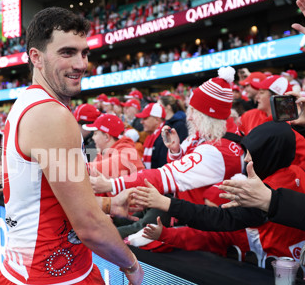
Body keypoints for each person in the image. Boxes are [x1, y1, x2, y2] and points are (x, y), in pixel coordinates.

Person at [0, 7, 143, 285]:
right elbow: (88, 226)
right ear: (36, 57)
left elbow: (48, 193)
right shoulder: (50, 114)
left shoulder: (42, 108)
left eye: (84, 52)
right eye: (67, 52)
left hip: (80, 276)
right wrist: (130, 262)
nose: (81, 63)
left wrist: (108, 206)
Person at [218, 0, 305, 262]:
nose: (255, 95)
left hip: (298, 207)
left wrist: (278, 194)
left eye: (261, 90)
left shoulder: (286, 129)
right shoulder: (254, 116)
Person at [136, 122, 305, 266]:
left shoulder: (261, 192)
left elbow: (219, 222)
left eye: (252, 155)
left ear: (269, 155)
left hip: (269, 277)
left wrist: (166, 206)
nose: (245, 159)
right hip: (303, 270)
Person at [91, 67, 244, 208]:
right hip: (187, 213)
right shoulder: (207, 134)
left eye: (194, 112)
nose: (189, 118)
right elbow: (181, 169)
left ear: (210, 115)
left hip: (201, 227)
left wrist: (112, 184)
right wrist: (176, 151)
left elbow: (165, 176)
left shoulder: (218, 150)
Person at [239, 74, 305, 181]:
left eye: (261, 93)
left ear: (275, 97)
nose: (257, 97)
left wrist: (290, 183)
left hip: (280, 191)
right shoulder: (250, 115)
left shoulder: (293, 125)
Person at [85, 113, 144, 179]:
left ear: (107, 137)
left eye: (95, 134)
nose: (93, 137)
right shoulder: (101, 154)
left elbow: (99, 168)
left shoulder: (128, 153)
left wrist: (77, 168)